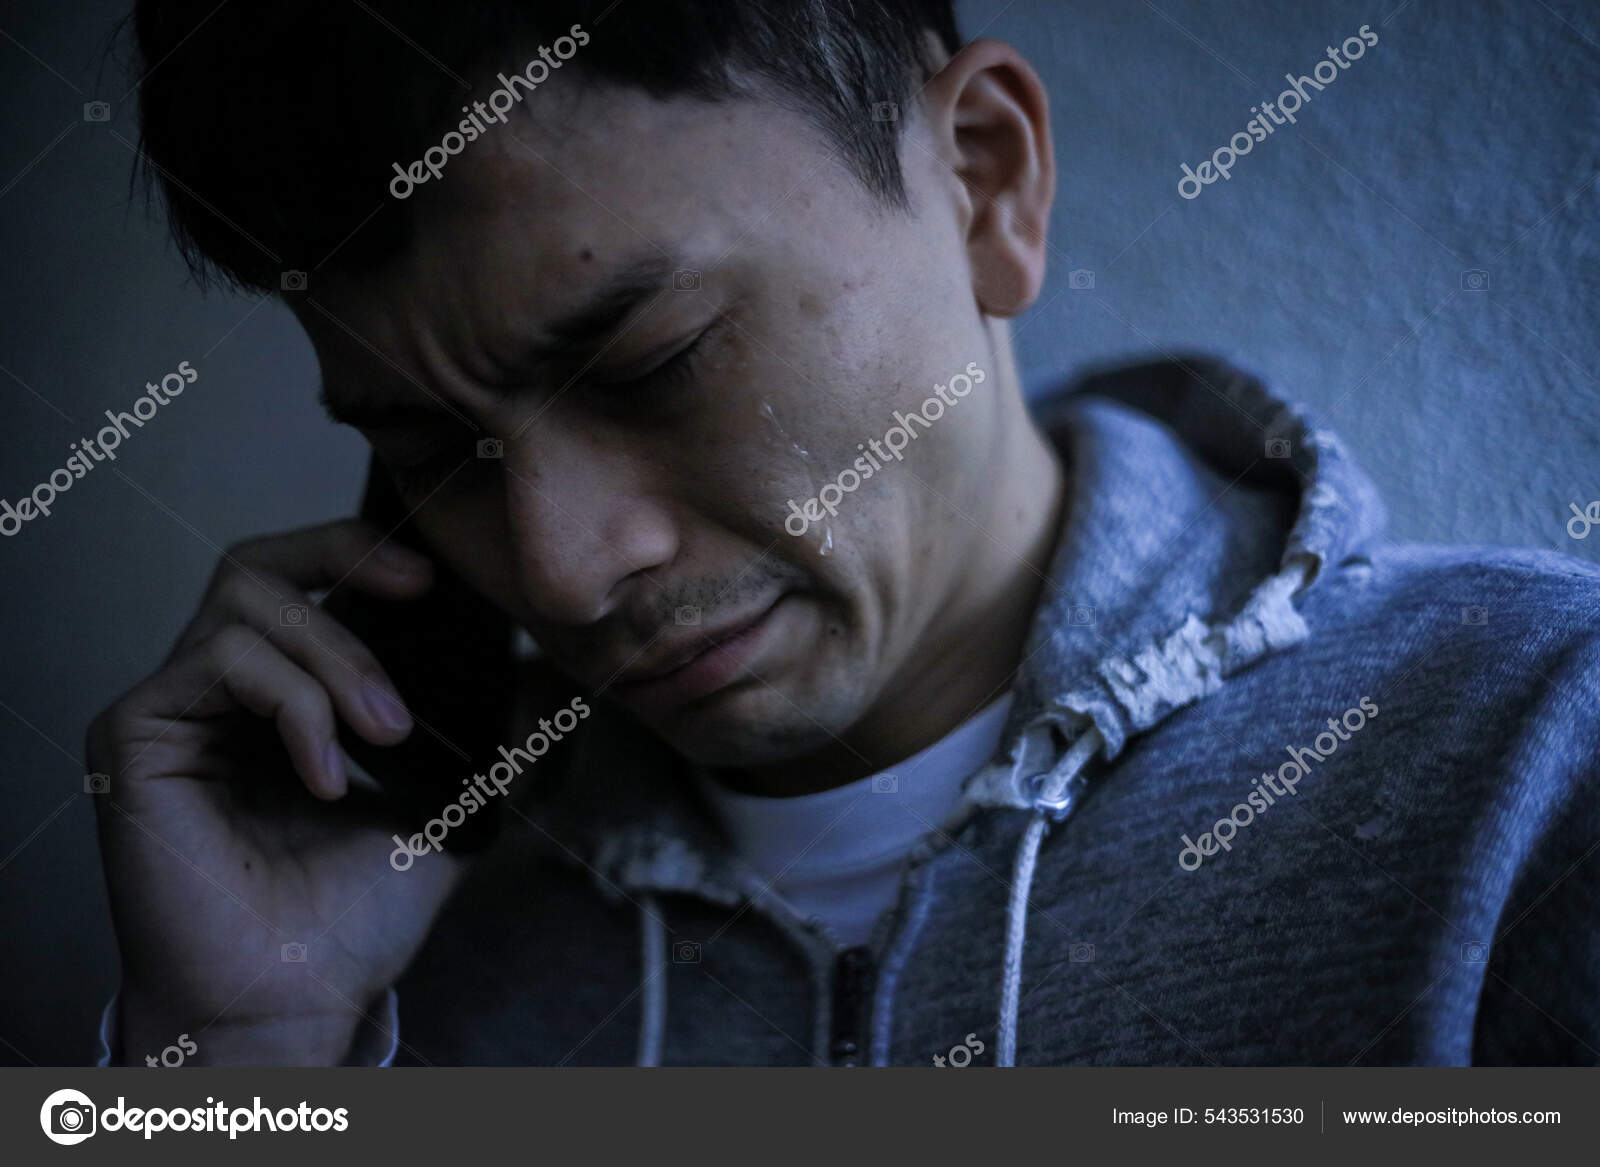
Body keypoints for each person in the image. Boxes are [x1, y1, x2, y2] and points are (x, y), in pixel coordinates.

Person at [90, 0, 1600, 1067]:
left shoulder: (1539, 759)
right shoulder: (392, 920)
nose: (561, 568)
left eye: (653, 365)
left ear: (986, 181)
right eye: (432, 457)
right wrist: (243, 1052)